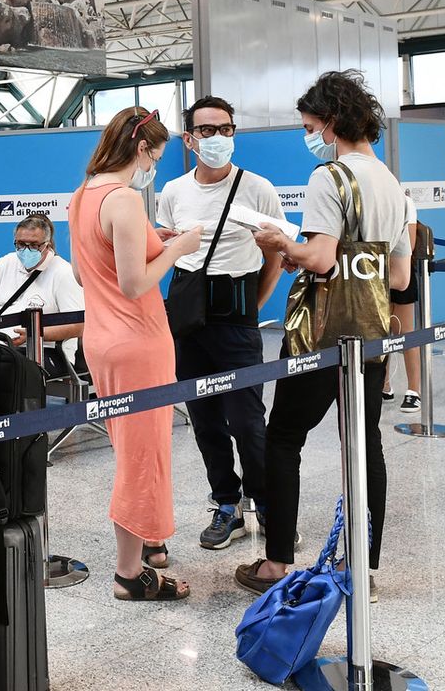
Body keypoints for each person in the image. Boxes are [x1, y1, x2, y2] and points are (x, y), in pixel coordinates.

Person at [237, 70, 411, 599]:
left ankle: (277, 563)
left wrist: (279, 243)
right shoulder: (393, 185)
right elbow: (399, 279)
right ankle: (365, 564)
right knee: (364, 442)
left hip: (322, 335)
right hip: (372, 334)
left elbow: (320, 255)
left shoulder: (329, 178)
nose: (310, 137)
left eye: (312, 126)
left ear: (332, 124)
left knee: (285, 438)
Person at [67, 107, 202, 601]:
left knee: (132, 447)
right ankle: (129, 573)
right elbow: (134, 283)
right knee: (142, 455)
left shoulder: (82, 195)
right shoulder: (123, 199)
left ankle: (146, 539)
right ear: (142, 149)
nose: (155, 168)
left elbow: (87, 275)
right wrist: (178, 247)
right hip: (137, 341)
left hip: (103, 340)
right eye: (157, 157)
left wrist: (153, 242)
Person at [156, 96, 285, 550]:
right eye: (206, 131)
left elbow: (275, 252)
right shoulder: (172, 192)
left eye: (225, 129)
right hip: (189, 319)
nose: (217, 138)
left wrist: (255, 304)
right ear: (189, 139)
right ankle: (226, 504)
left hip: (238, 318)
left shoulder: (258, 188)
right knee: (205, 419)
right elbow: (166, 248)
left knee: (248, 419)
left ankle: (266, 505)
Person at [0, 214, 86, 364]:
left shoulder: (64, 273)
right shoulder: (7, 262)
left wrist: (34, 334)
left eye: (34, 245)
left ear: (47, 244)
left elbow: (79, 325)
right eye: (20, 244)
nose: (26, 250)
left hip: (45, 350)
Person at [383, 197, 422, 410]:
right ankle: (384, 384)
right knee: (378, 333)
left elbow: (410, 243)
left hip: (401, 272)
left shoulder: (405, 202)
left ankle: (413, 390)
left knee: (406, 333)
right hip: (373, 274)